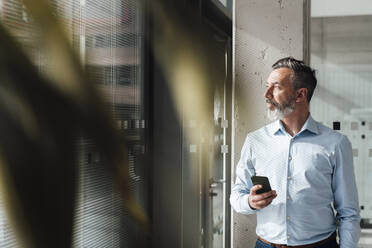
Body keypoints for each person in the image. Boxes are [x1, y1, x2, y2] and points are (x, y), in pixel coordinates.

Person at [230, 57, 360, 248]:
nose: (266, 94)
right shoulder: (255, 141)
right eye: (267, 86)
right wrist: (250, 202)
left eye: (276, 87)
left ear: (300, 94)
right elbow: (236, 196)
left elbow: (348, 212)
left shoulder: (336, 143)